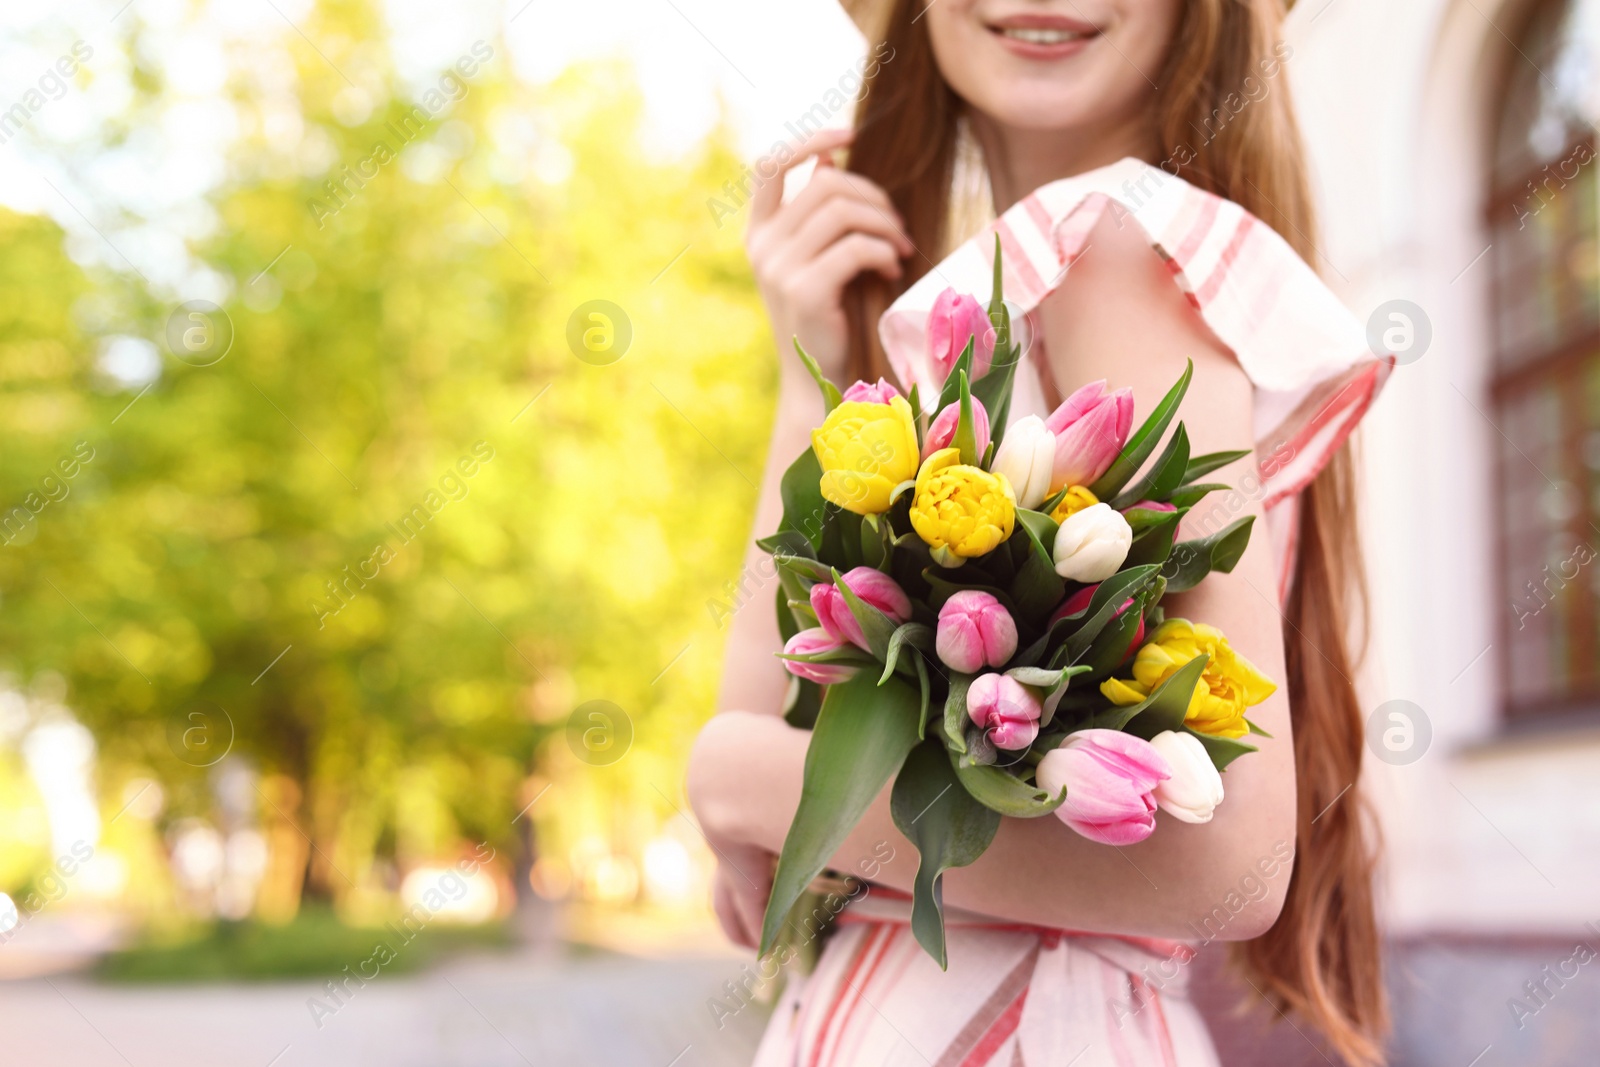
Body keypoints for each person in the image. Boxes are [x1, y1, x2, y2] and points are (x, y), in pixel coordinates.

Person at [687, 1, 1388, 1063]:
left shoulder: (1113, 246)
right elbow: (771, 778)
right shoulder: (1032, 277)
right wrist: (805, 383)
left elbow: (1227, 862)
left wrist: (732, 774)